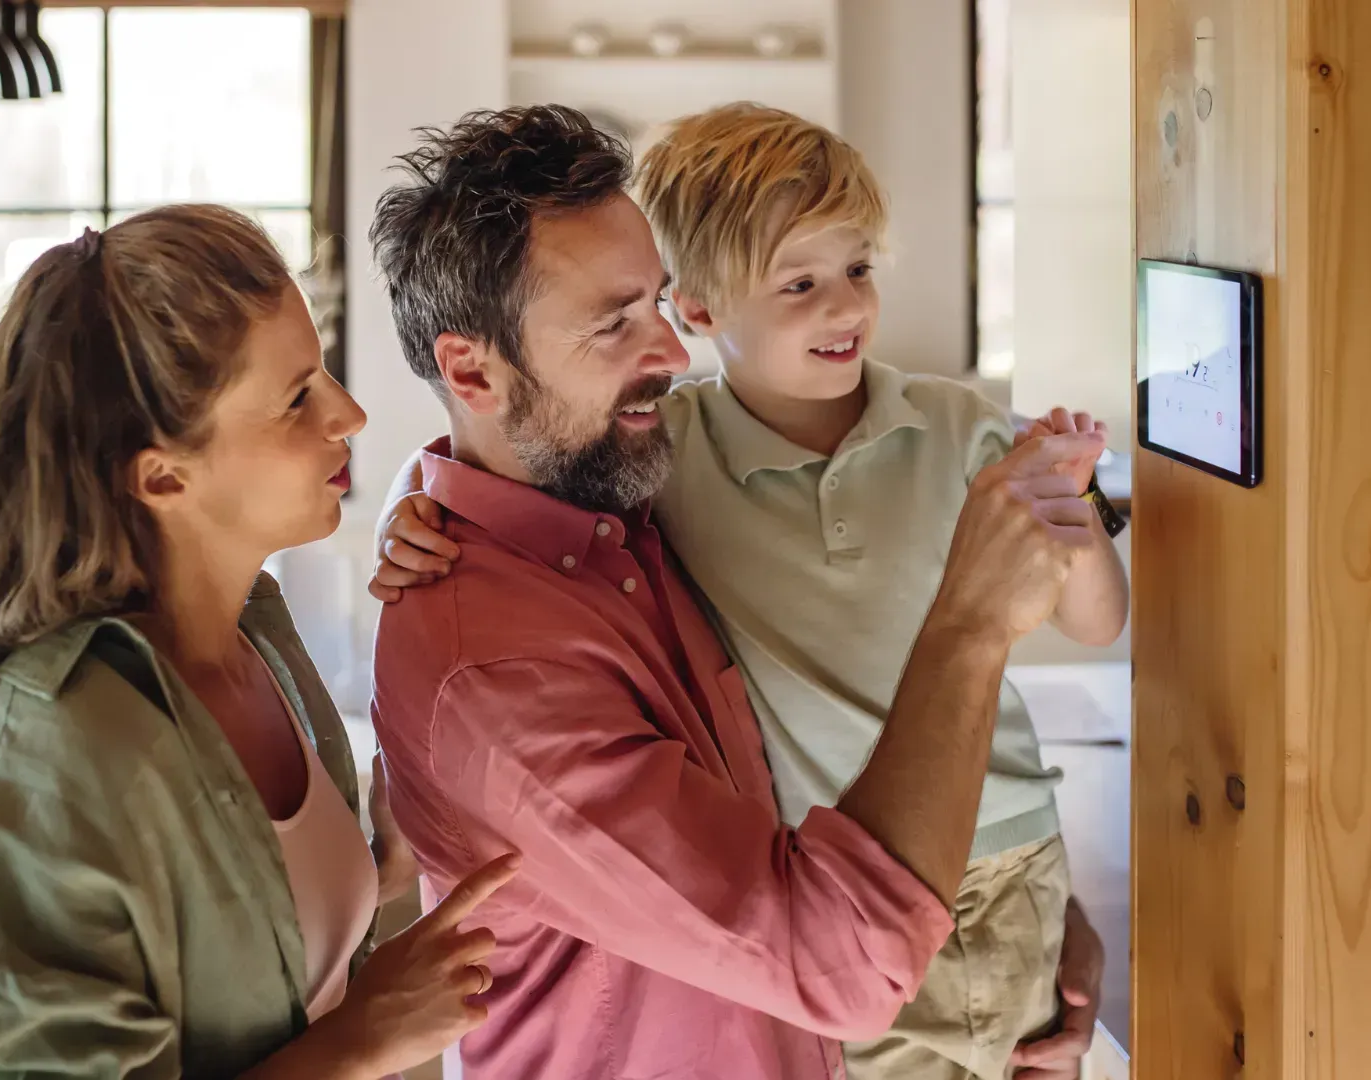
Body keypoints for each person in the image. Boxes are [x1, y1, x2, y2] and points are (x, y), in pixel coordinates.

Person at [374, 103, 1125, 1080]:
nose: (671, 356)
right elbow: (841, 961)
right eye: (616, 322)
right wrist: (973, 621)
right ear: (472, 368)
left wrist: (1027, 882)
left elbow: (490, 461)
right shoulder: (504, 663)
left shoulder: (615, 492)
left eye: (652, 304)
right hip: (855, 954)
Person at [0, 204, 516, 1080]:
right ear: (162, 476)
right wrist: (363, 1039)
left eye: (322, 373)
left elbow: (247, 951)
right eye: (296, 399)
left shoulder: (258, 640)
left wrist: (376, 867)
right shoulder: (61, 750)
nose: (350, 414)